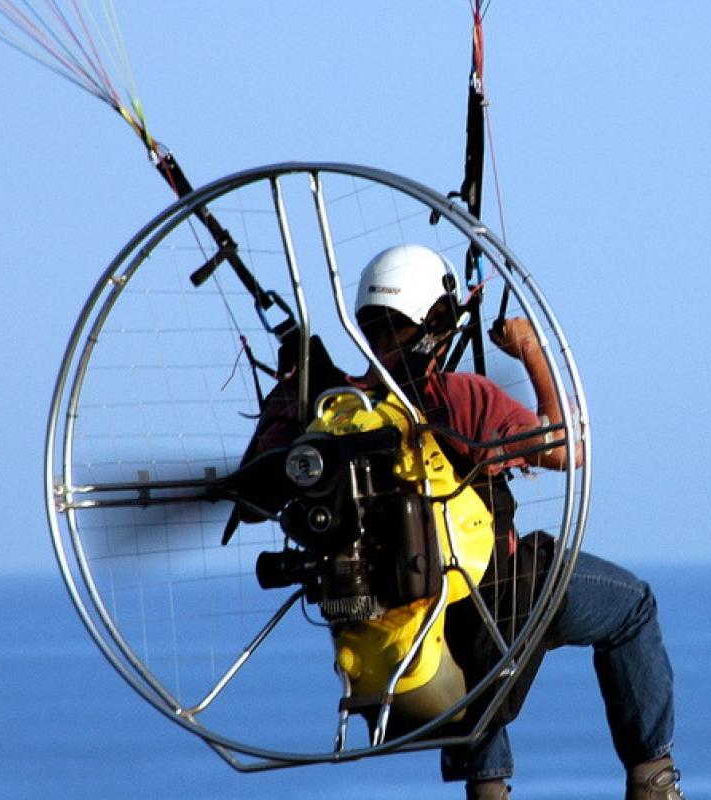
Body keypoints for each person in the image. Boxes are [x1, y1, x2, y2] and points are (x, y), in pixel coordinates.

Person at [242, 244, 684, 800]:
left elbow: (255, 493)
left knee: (458, 636)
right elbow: (564, 445)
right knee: (631, 608)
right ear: (438, 323)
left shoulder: (330, 411)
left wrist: (288, 404)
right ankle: (654, 782)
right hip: (497, 606)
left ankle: (487, 790)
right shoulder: (460, 398)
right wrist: (529, 350)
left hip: (399, 635)